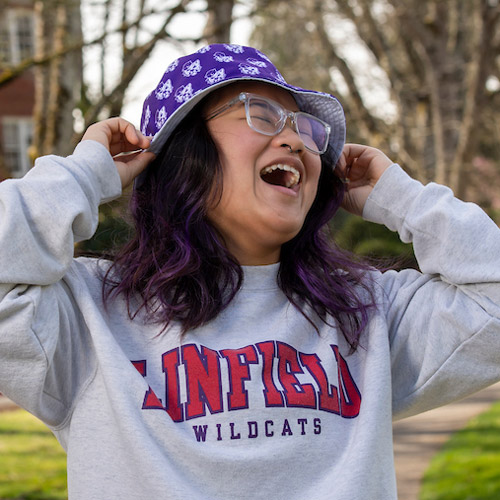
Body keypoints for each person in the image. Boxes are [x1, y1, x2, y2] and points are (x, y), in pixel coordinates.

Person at [0, 43, 499, 499]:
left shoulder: (367, 312)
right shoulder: (86, 316)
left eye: (304, 128)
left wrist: (402, 198)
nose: (296, 143)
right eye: (261, 115)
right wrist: (85, 172)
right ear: (184, 152)